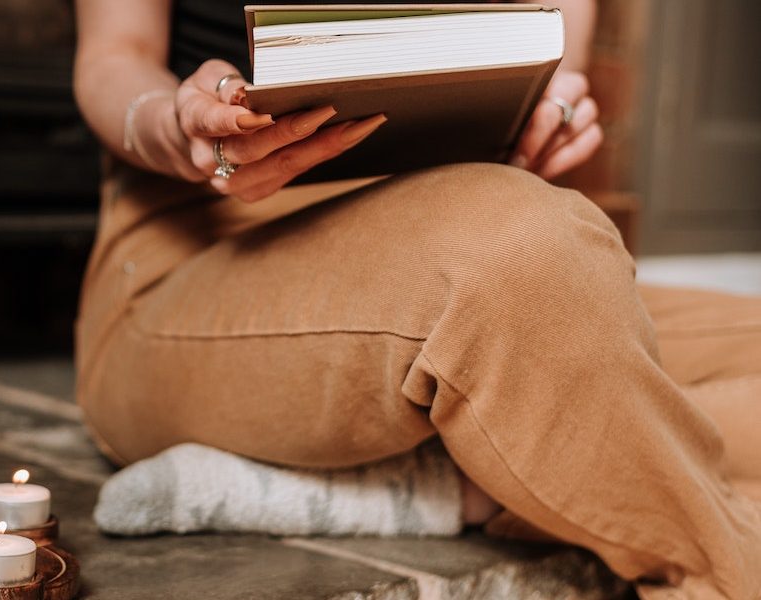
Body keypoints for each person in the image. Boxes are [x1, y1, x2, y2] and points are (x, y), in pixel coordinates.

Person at [71, 1, 761, 598]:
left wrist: (555, 109)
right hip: (201, 251)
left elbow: (557, 58)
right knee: (521, 248)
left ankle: (450, 485)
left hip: (448, 219)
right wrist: (178, 127)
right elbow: (113, 59)